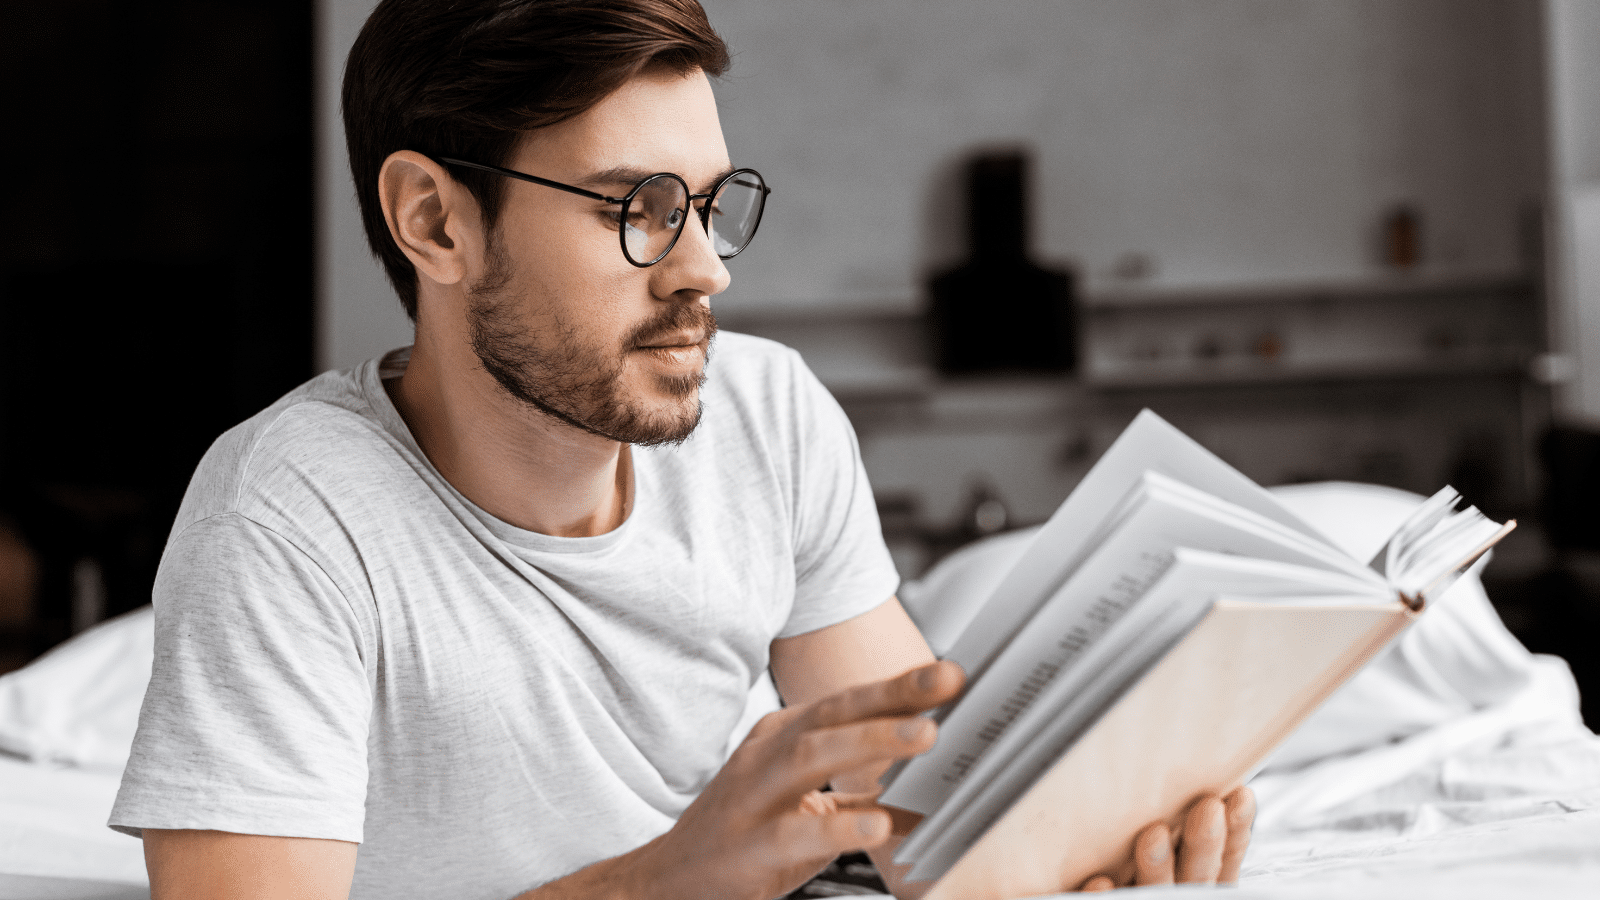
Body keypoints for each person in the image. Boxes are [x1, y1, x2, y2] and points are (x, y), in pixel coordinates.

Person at [109, 1, 1254, 897]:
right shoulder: (288, 513)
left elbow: (915, 811)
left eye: (708, 204)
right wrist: (665, 885)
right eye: (636, 208)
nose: (705, 268)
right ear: (436, 222)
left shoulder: (767, 415)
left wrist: (1092, 832)